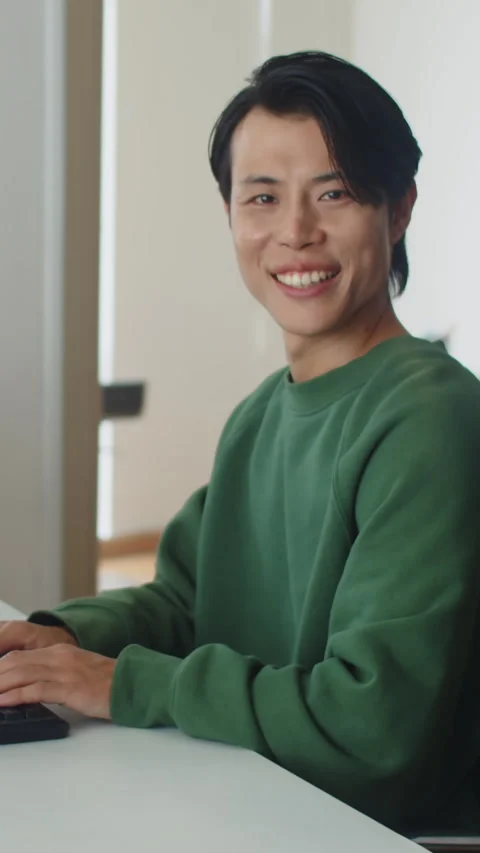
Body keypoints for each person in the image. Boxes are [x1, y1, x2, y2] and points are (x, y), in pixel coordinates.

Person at [1, 50, 480, 836]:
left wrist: (122, 684)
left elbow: (370, 728)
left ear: (398, 209)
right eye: (263, 196)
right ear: (231, 215)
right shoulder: (263, 413)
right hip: (248, 798)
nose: (295, 231)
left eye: (335, 192)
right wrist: (60, 638)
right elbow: (190, 600)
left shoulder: (432, 419)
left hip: (352, 828)